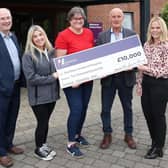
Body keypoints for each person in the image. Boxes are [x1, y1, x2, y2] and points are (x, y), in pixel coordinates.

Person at [55, 6, 94, 157]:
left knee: (84, 107)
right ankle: (71, 143)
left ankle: (78, 134)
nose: (78, 21)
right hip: (72, 82)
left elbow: (91, 54)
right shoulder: (63, 35)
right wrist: (72, 78)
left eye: (80, 18)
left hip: (87, 79)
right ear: (70, 20)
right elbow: (61, 62)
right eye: (75, 18)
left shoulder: (89, 33)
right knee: (76, 109)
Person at [96, 8, 137, 150]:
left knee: (128, 108)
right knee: (105, 109)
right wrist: (101, 71)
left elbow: (137, 58)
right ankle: (107, 134)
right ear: (109, 18)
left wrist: (132, 66)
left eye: (119, 16)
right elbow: (98, 59)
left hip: (126, 79)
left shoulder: (131, 35)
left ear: (122, 18)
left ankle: (128, 134)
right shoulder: (102, 36)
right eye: (113, 16)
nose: (116, 19)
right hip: (109, 79)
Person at [22, 25, 60, 161]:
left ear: (45, 35)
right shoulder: (28, 56)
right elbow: (31, 78)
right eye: (35, 36)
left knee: (46, 121)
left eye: (41, 35)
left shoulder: (51, 51)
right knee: (42, 122)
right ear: (31, 39)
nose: (39, 38)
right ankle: (38, 148)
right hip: (38, 97)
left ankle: (43, 145)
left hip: (52, 95)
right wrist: (53, 77)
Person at [136, 16, 168, 159]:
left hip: (160, 84)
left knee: (158, 116)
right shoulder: (146, 45)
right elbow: (140, 66)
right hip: (147, 84)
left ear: (162, 29)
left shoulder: (166, 45)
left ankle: (159, 147)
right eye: (152, 28)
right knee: (148, 115)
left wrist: (147, 69)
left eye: (157, 27)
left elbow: (166, 69)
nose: (155, 30)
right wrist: (139, 83)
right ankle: (154, 143)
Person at [0, 8, 24, 167]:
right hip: (1, 88)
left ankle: (9, 144)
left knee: (12, 117)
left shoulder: (13, 36)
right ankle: (1, 152)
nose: (6, 21)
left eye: (8, 18)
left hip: (15, 86)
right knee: (0, 121)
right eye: (2, 19)